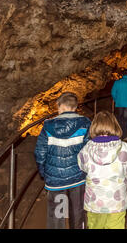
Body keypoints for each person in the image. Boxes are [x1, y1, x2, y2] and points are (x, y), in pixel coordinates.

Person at [34, 92, 91, 229]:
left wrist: (45, 172)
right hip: (77, 176)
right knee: (77, 211)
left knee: (57, 215)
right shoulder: (84, 123)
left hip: (55, 179)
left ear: (60, 106)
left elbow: (40, 152)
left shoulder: (48, 125)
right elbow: (89, 150)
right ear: (75, 107)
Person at [77, 111, 127, 229]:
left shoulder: (86, 149)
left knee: (95, 226)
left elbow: (82, 166)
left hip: (94, 202)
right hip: (116, 202)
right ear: (115, 126)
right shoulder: (124, 148)